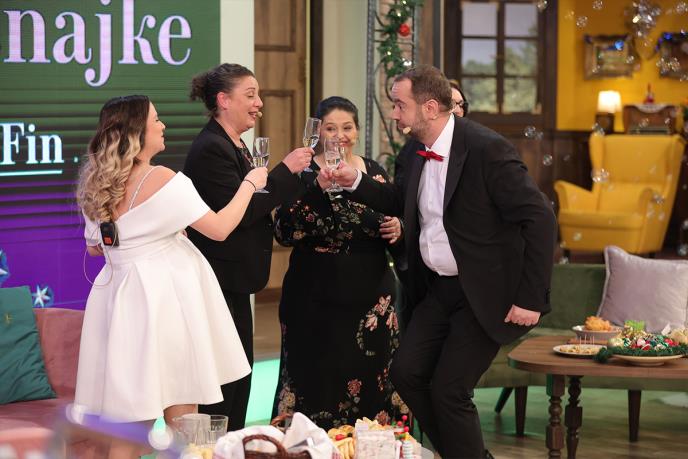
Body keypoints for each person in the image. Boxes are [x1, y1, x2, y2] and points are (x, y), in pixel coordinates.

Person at [321, 65, 556, 458]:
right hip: (439, 288)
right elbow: (401, 200)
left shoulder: (487, 149)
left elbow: (540, 218)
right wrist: (355, 182)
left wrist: (531, 297)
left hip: (487, 291)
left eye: (400, 105)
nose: (393, 113)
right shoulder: (414, 150)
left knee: (449, 388)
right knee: (406, 373)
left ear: (429, 108)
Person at [75, 95, 267, 458]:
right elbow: (220, 229)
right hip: (166, 304)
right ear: (137, 133)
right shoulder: (163, 178)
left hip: (122, 304)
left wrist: (155, 232)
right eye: (156, 120)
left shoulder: (96, 183)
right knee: (185, 422)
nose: (163, 125)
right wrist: (250, 184)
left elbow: (96, 247)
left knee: (131, 425)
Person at [183, 63, 313, 430]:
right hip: (219, 280)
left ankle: (232, 443)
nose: (259, 103)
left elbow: (258, 197)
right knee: (226, 381)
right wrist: (286, 170)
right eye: (251, 95)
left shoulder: (234, 144)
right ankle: (216, 448)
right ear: (224, 100)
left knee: (240, 374)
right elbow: (242, 210)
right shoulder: (211, 148)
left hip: (235, 280)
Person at [271, 96, 406, 429]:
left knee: (372, 380)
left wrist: (397, 227)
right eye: (331, 128)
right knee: (315, 381)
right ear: (318, 133)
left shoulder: (373, 172)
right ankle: (309, 447)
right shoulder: (301, 173)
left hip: (371, 301)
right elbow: (284, 230)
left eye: (347, 127)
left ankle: (370, 447)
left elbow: (398, 211)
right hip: (314, 298)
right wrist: (317, 188)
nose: (339, 136)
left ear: (357, 131)